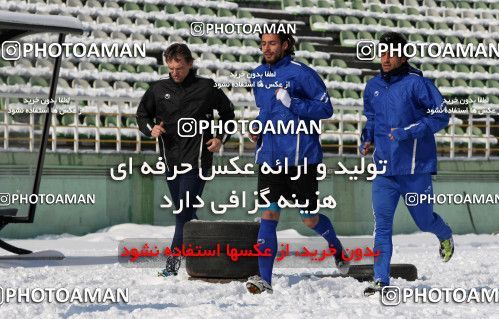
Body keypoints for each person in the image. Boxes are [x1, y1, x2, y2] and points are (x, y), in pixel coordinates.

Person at [245, 32, 350, 294]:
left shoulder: (303, 73)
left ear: (285, 45)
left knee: (309, 219)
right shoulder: (258, 74)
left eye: (272, 43)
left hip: (301, 157)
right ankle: (264, 279)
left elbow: (326, 109)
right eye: (263, 43)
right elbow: (266, 111)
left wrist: (294, 103)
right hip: (270, 156)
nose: (266, 48)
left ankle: (337, 248)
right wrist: (257, 126)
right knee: (269, 215)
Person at [359, 32, 454, 296]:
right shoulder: (373, 87)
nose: (386, 58)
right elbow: (372, 121)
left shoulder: (418, 84)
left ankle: (444, 233)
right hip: (384, 171)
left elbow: (441, 116)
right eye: (383, 53)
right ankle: (381, 280)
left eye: (392, 53)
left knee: (424, 221)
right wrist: (366, 141)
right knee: (382, 225)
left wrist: (408, 131)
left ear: (404, 56)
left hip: (415, 169)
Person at [136, 43, 235, 276]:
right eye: (170, 68)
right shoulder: (158, 89)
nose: (175, 72)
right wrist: (151, 129)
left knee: (183, 211)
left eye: (179, 67)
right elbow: (142, 115)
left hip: (199, 159)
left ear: (190, 64)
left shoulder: (207, 87)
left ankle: (172, 266)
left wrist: (220, 137)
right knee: (187, 214)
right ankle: (209, 253)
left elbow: (228, 114)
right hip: (170, 160)